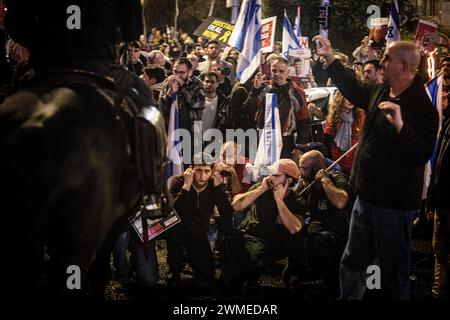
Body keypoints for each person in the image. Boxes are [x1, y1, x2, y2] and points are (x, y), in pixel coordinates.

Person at [313, 35, 439, 299]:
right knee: (353, 261)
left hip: (393, 206)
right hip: (366, 196)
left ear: (404, 66)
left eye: (387, 58)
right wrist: (330, 59)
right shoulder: (381, 89)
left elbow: (423, 153)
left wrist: (401, 128)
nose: (381, 62)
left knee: (392, 272)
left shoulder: (421, 106)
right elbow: (356, 89)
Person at [222, 159, 303, 288]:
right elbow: (236, 205)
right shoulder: (262, 188)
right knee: (248, 265)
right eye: (271, 174)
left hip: (277, 242)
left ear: (289, 180)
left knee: (303, 237)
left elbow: (295, 228)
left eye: (276, 175)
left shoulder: (296, 200)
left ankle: (293, 272)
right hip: (254, 236)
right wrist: (260, 189)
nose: (270, 178)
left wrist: (279, 201)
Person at [284, 150, 350, 298]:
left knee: (317, 242)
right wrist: (299, 188)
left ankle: (333, 286)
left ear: (316, 169)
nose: (300, 172)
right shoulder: (307, 183)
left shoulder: (335, 177)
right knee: (295, 235)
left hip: (333, 234)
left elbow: (341, 202)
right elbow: (298, 206)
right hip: (312, 231)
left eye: (304, 168)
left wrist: (324, 180)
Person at [166, 153, 233, 287]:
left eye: (206, 171)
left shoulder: (214, 183)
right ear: (191, 169)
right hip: (178, 231)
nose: (203, 176)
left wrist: (218, 188)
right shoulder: (178, 181)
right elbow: (172, 212)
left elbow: (226, 212)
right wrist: (186, 187)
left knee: (208, 274)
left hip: (199, 233)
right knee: (174, 231)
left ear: (212, 171)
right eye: (199, 170)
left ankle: (192, 259)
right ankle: (175, 269)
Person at [249, 57, 312, 158]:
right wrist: (254, 92)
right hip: (263, 139)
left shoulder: (296, 92)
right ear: (270, 71)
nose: (277, 74)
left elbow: (304, 120)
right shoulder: (263, 89)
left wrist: (300, 146)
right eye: (274, 71)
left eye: (281, 71)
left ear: (287, 72)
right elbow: (250, 111)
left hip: (286, 141)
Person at [426, 56, 450, 300]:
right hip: (443, 201)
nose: (445, 97)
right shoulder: (446, 125)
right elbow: (440, 165)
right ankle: (438, 292)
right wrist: (432, 198)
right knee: (439, 251)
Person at [158, 57, 205, 137]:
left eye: (181, 72)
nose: (177, 75)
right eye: (175, 71)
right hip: (171, 130)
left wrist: (183, 86)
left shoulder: (197, 84)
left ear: (189, 72)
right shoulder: (168, 83)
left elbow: (197, 103)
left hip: (191, 132)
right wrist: (169, 94)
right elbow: (160, 107)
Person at [323, 91, 365, 175]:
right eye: (347, 97)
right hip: (338, 164)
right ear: (340, 99)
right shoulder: (332, 119)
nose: (351, 100)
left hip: (355, 164)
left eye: (352, 97)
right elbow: (327, 144)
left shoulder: (361, 116)